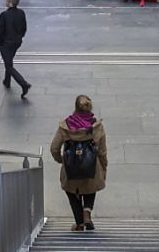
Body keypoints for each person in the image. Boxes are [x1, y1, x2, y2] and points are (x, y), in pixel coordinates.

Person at [50, 95, 107, 232]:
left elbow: (54, 148)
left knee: (71, 192)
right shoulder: (96, 127)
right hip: (91, 167)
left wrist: (61, 160)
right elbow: (102, 152)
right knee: (90, 186)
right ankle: (87, 211)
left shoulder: (65, 126)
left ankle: (80, 224)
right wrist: (103, 167)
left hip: (71, 168)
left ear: (75, 107)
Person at [0, 0, 31, 97]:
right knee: (9, 60)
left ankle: (24, 84)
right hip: (17, 42)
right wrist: (20, 36)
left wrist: (0, 42)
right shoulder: (21, 13)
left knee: (8, 65)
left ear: (10, 2)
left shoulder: (4, 15)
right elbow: (24, 27)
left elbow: (0, 30)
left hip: (6, 43)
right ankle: (7, 81)